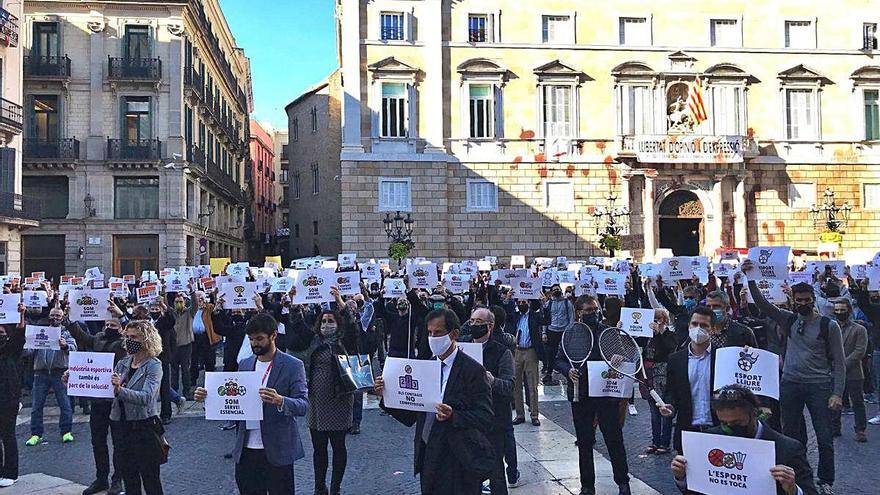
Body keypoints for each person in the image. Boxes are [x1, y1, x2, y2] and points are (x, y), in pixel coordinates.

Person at [742, 259, 845, 495]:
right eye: (799, 301)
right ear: (794, 301)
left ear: (813, 300)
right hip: (790, 384)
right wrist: (750, 278)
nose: (803, 304)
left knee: (824, 437)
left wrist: (837, 393)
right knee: (791, 436)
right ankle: (796, 476)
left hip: (819, 386)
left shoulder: (828, 326)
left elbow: (839, 362)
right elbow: (763, 304)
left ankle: (826, 480)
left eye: (807, 301)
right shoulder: (788, 319)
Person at [374, 309, 494, 494]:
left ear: (453, 334)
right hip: (429, 455)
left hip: (458, 458)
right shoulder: (425, 367)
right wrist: (387, 396)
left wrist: (454, 415)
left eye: (437, 333)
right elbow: (412, 415)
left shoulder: (472, 371)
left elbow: (485, 417)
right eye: (429, 332)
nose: (432, 337)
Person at [195, 313, 309, 495]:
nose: (255, 343)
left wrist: (281, 400)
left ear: (273, 335)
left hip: (277, 449)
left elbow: (303, 405)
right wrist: (207, 398)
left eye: (259, 339)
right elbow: (233, 402)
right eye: (251, 339)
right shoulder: (246, 364)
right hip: (246, 450)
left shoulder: (293, 365)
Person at [670, 385, 818, 495]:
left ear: (755, 414)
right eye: (724, 423)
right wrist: (681, 477)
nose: (729, 428)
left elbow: (810, 492)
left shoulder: (788, 449)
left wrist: (793, 489)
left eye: (737, 423)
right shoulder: (709, 441)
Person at [554, 295, 631, 495]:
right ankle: (587, 486)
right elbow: (559, 360)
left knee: (614, 438)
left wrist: (619, 357)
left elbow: (625, 355)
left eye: (595, 309)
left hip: (606, 393)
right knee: (584, 441)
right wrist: (567, 371)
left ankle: (623, 482)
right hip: (581, 393)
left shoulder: (607, 331)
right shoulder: (571, 333)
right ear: (579, 312)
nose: (593, 313)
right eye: (588, 310)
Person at [287, 287, 360, 495]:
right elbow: (297, 325)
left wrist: (340, 301)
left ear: (338, 325)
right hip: (317, 401)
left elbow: (353, 327)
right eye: (325, 322)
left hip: (339, 399)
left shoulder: (345, 341)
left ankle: (336, 486)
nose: (327, 325)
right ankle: (320, 486)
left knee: (338, 447)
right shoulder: (314, 340)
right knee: (319, 449)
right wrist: (294, 303)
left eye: (331, 322)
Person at [67, 316, 127, 495]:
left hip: (116, 400)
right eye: (107, 324)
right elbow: (81, 335)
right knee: (97, 441)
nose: (109, 327)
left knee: (119, 442)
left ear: (120, 328)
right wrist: (69, 320)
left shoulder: (124, 343)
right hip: (99, 399)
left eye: (113, 325)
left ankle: (118, 480)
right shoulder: (98, 338)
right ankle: (101, 478)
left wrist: (123, 320)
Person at [110, 320, 166, 495]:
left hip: (144, 427)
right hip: (122, 426)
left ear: (146, 339)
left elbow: (147, 397)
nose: (129, 341)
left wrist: (120, 390)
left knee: (150, 479)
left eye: (134, 337)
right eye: (127, 337)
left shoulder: (154, 365)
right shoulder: (123, 363)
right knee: (129, 477)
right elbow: (105, 388)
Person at [467, 308, 514, 495]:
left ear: (490, 326)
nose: (474, 325)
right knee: (470, 472)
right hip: (469, 419)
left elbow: (509, 386)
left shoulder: (502, 352)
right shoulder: (461, 346)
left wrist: (493, 381)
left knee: (496, 473)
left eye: (479, 322)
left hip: (494, 420)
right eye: (472, 321)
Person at [660, 306, 719, 452]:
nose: (698, 328)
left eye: (704, 325)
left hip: (718, 429)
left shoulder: (723, 357)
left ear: (713, 329)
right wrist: (670, 406)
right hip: (687, 430)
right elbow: (671, 391)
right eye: (695, 324)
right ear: (689, 325)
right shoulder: (676, 359)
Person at [25, 306, 77, 446]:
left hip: (59, 372)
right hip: (40, 373)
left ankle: (66, 431)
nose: (55, 318)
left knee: (65, 404)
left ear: (62, 317)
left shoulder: (66, 333)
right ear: (49, 316)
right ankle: (36, 434)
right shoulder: (39, 331)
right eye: (53, 315)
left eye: (58, 316)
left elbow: (74, 348)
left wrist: (65, 346)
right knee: (36, 406)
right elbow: (28, 352)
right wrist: (27, 344)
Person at [829, 298, 868, 442]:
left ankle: (860, 429)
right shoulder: (830, 327)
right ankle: (834, 427)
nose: (839, 313)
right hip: (834, 371)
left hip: (854, 372)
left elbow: (860, 351)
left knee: (857, 402)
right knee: (834, 400)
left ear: (849, 311)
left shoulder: (859, 329)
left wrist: (842, 365)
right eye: (837, 310)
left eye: (842, 310)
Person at [642, 308, 677, 455]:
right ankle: (655, 441)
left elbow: (670, 347)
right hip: (649, 375)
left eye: (658, 319)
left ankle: (665, 442)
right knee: (654, 413)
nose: (655, 322)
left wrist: (660, 333)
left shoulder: (669, 335)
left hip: (664, 375)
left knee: (665, 409)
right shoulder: (647, 336)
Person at [0, 303, 25, 488]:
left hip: (8, 398)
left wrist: (21, 314)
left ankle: (10, 472)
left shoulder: (11, 351)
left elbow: (19, 334)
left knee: (7, 435)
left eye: (2, 332)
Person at [507, 298, 543, 427]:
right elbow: (505, 314)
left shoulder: (534, 316)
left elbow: (546, 320)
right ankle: (520, 414)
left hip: (531, 351)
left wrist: (543, 304)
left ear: (529, 303)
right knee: (516, 384)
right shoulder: (515, 316)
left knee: (532, 384)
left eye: (524, 302)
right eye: (519, 302)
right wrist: (507, 299)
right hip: (517, 351)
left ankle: (534, 414)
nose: (521, 304)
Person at [542, 284, 574, 385]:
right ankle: (549, 372)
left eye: (558, 289)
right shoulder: (548, 303)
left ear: (561, 290)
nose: (556, 291)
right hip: (552, 331)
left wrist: (569, 331)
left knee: (567, 352)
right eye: (554, 290)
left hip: (564, 331)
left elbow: (571, 317)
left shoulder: (567, 303)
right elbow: (545, 319)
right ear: (551, 292)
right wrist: (544, 332)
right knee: (551, 353)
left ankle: (569, 372)